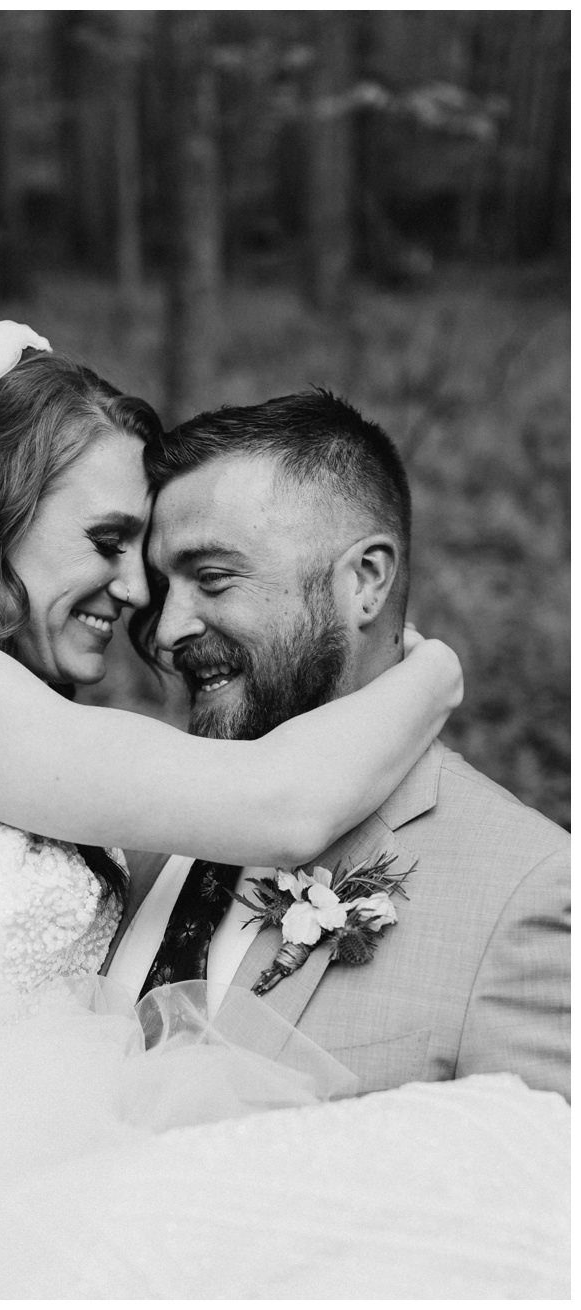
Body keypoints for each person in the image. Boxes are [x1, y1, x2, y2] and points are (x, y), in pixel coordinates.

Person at [0, 323, 567, 1297]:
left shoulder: (51, 752)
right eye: (112, 545)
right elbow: (279, 802)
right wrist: (436, 670)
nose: (136, 604)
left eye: (169, 572)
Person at [104, 390, 568, 1096]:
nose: (167, 632)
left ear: (366, 581)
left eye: (213, 579)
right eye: (164, 589)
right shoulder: (126, 832)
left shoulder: (525, 890)